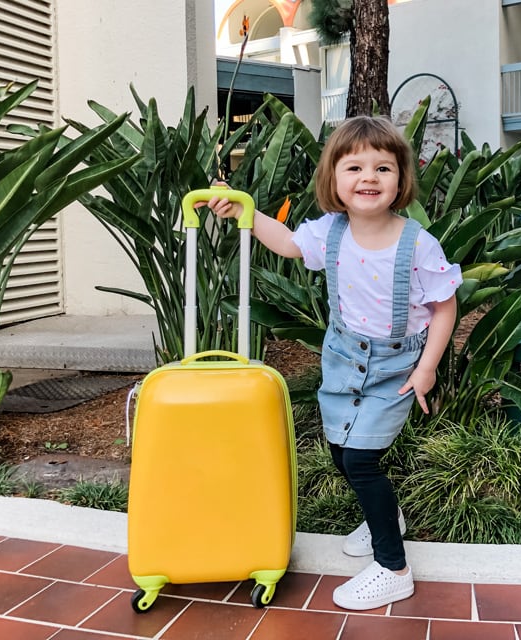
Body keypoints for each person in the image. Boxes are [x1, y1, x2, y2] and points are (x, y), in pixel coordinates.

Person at [201, 115, 462, 611]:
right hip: (344, 357)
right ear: (334, 180)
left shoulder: (418, 244)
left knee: (362, 460)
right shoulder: (330, 233)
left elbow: (444, 306)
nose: (369, 178)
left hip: (393, 366)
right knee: (343, 451)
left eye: (383, 168)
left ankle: (393, 567)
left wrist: (426, 367)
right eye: (355, 167)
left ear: (401, 180)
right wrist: (245, 211)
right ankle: (389, 518)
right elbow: (287, 242)